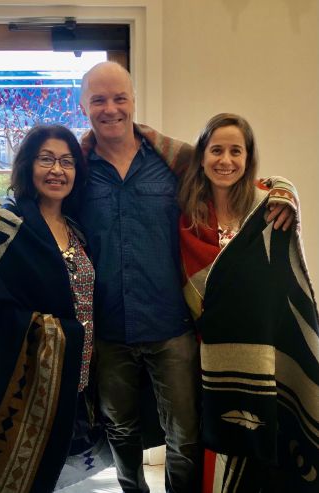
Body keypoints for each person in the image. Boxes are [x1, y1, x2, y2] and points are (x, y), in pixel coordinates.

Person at [78, 61, 296, 493]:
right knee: (120, 431)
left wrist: (286, 192)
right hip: (109, 328)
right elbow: (35, 191)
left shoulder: (174, 162)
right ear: (83, 105)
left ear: (134, 101)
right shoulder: (77, 170)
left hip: (171, 327)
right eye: (99, 99)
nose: (110, 108)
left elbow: (236, 173)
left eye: (119, 97)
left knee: (185, 436)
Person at [178, 113, 319, 492]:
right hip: (207, 347)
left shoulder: (268, 208)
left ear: (249, 156)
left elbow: (284, 276)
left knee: (263, 436)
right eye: (216, 150)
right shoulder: (188, 214)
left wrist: (287, 190)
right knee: (215, 437)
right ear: (202, 156)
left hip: (262, 345)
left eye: (235, 151)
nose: (225, 160)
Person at [0, 124, 95, 493]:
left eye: (67, 162)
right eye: (46, 159)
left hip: (74, 378)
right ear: (27, 165)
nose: (57, 170)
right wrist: (61, 333)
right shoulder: (4, 226)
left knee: (58, 476)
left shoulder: (77, 228)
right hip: (21, 384)